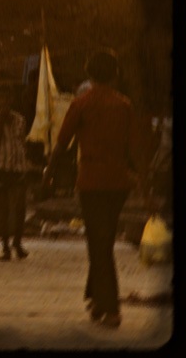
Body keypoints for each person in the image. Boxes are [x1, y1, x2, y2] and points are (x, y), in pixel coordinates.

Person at [43, 49, 147, 329]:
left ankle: (111, 307)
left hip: (90, 181)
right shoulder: (124, 105)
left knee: (98, 245)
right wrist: (145, 185)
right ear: (115, 74)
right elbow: (135, 149)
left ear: (89, 73)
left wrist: (48, 176)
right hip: (118, 183)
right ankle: (97, 298)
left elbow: (62, 144)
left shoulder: (81, 104)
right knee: (105, 239)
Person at [0, 83, 31, 262]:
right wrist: (1, 122)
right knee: (3, 209)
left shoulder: (19, 119)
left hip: (18, 167)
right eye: (0, 97)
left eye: (7, 97)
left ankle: (17, 242)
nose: (4, 101)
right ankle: (5, 247)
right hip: (0, 167)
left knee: (20, 208)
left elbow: (21, 143)